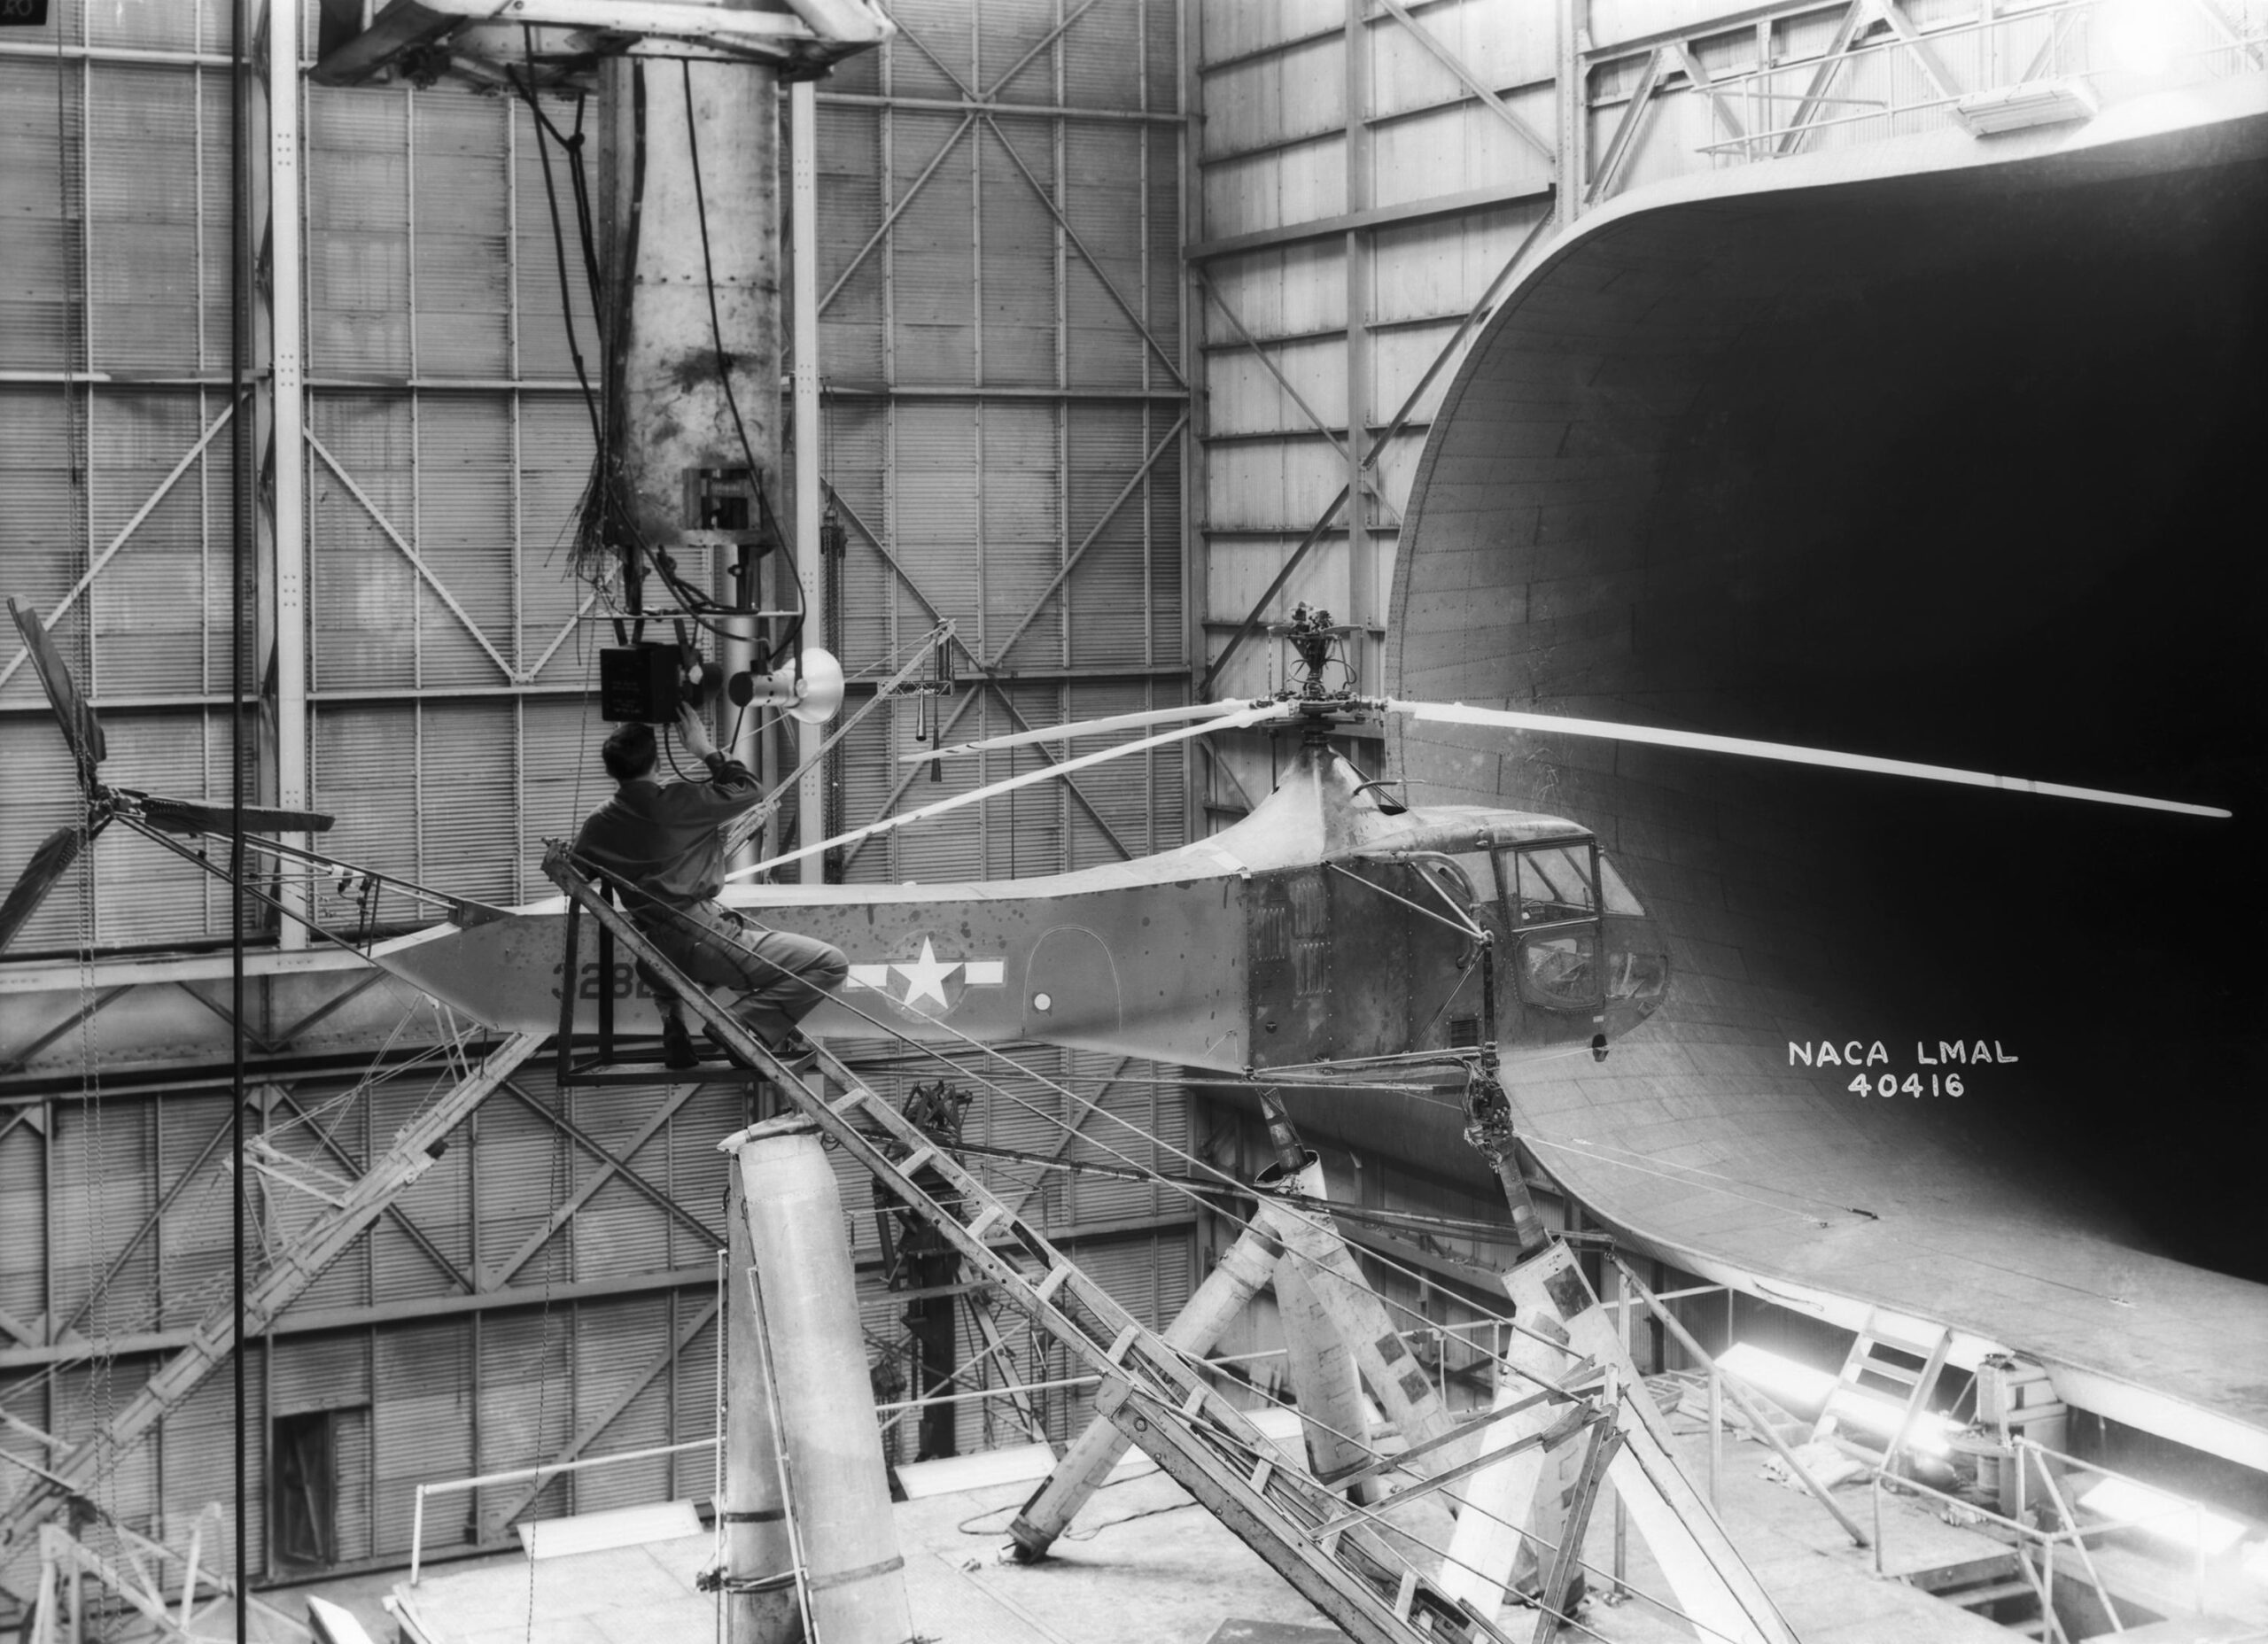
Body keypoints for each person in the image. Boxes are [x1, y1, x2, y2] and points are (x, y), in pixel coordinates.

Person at [573, 703, 847, 1071]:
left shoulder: (599, 823)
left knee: (684, 956)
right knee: (830, 963)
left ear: (611, 771)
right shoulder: (679, 802)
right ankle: (738, 1022)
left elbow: (576, 874)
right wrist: (702, 748)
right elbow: (749, 790)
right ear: (656, 764)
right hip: (701, 939)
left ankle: (673, 1025)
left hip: (653, 954)